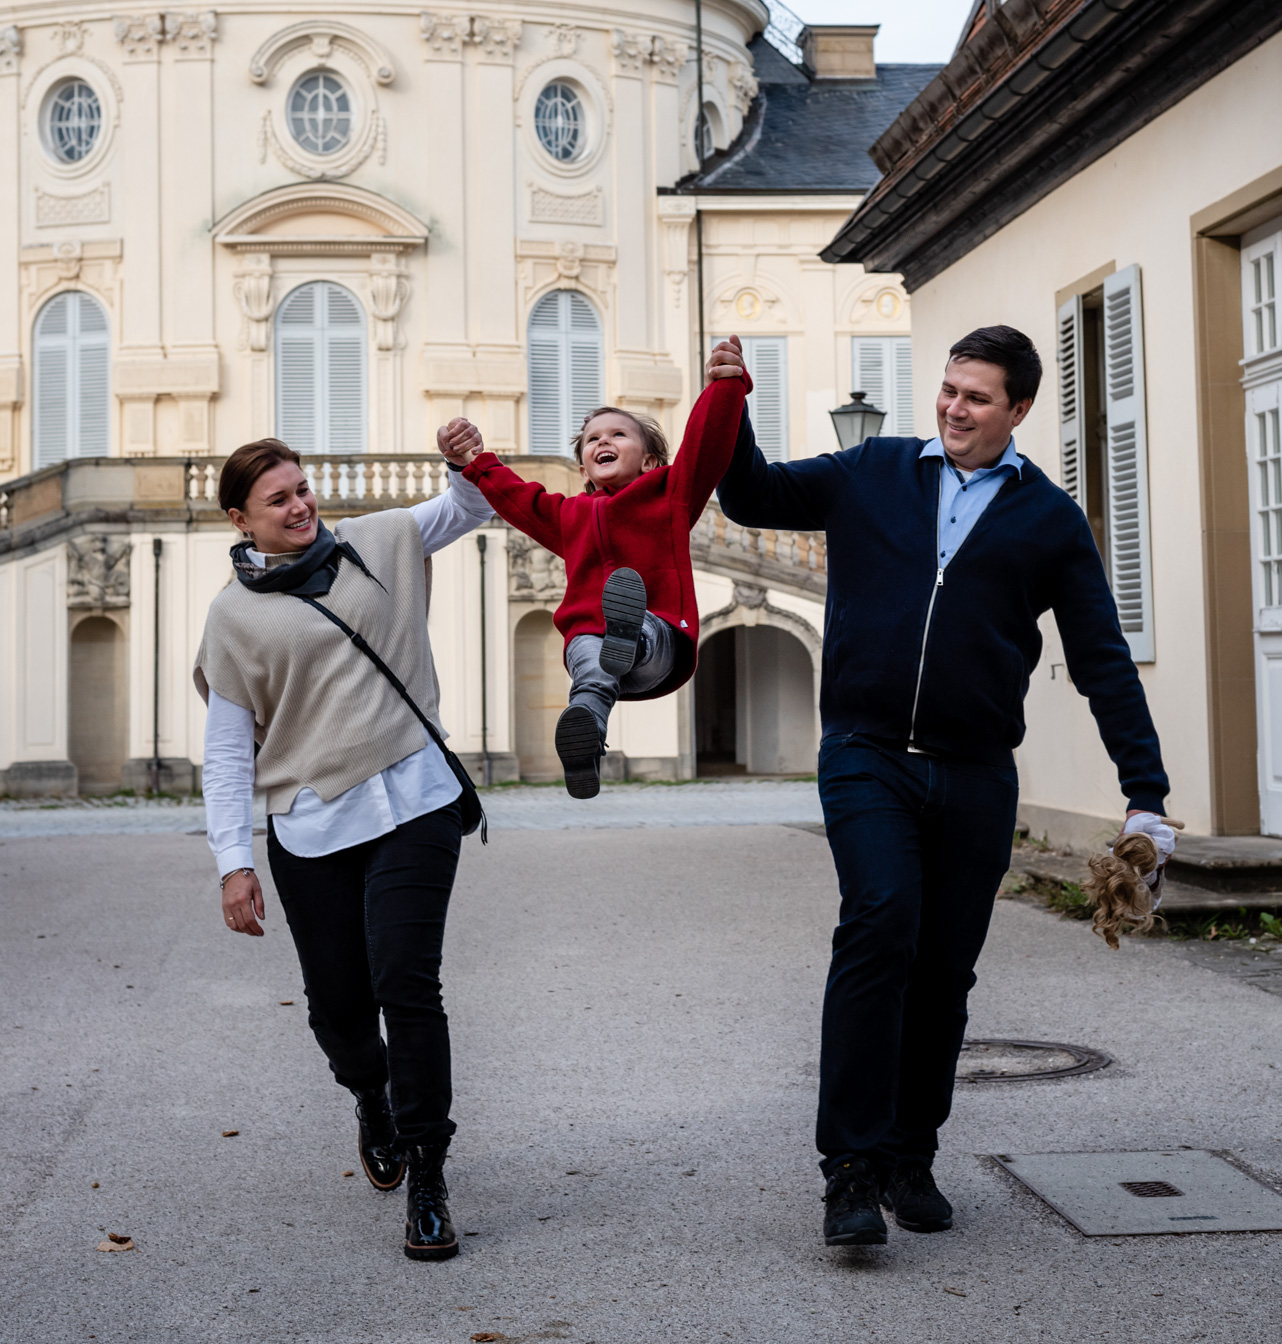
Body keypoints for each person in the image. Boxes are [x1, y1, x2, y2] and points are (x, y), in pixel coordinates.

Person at [709, 324, 1170, 1250]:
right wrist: (730, 400)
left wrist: (1145, 795)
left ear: (1020, 410)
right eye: (950, 390)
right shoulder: (872, 468)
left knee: (946, 970)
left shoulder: (1049, 520)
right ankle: (848, 1168)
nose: (955, 409)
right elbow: (752, 494)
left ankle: (909, 1155)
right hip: (866, 750)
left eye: (978, 397)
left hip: (975, 772)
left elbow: (1103, 661)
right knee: (880, 921)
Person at [196, 423, 490, 1262]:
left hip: (415, 798)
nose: (300, 505)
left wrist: (463, 458)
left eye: (301, 488)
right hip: (313, 821)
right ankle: (372, 1095)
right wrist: (233, 862)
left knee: (408, 981)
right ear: (239, 520)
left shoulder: (378, 540)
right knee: (340, 1010)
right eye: (278, 498)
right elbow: (226, 751)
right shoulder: (232, 618)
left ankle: (429, 1176)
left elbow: (464, 510)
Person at [458, 372, 749, 796]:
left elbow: (706, 447)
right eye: (593, 439)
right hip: (591, 641)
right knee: (590, 670)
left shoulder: (671, 495)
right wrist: (475, 461)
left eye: (618, 434)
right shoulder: (568, 515)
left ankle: (631, 635)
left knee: (630, 635)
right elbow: (519, 498)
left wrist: (726, 384)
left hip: (659, 644)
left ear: (650, 461)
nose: (603, 442)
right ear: (583, 470)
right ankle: (586, 743)